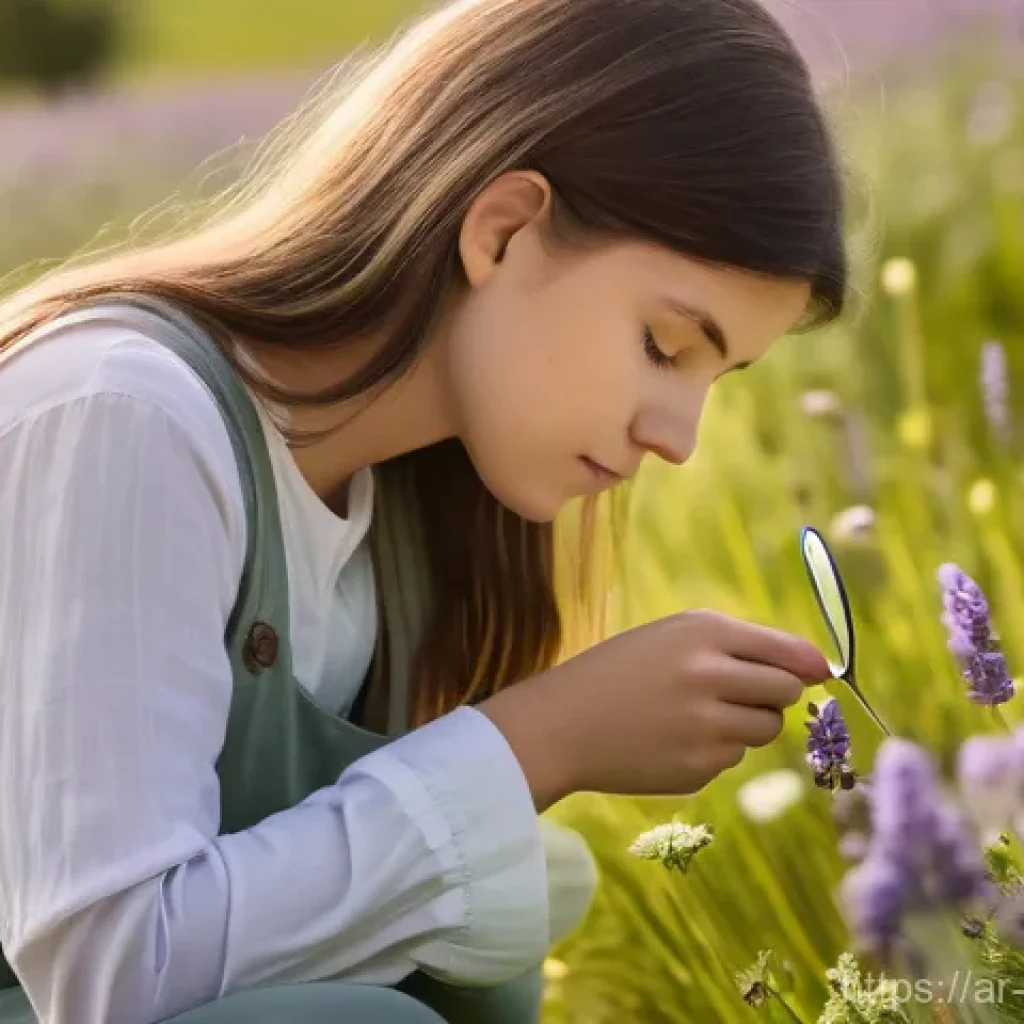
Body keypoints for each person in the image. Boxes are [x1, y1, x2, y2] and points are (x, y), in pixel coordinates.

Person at [0, 0, 846, 1020]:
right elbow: (106, 973)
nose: (679, 438)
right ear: (504, 231)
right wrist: (536, 742)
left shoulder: (404, 509)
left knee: (485, 954)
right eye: (663, 346)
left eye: (718, 377)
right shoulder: (127, 416)